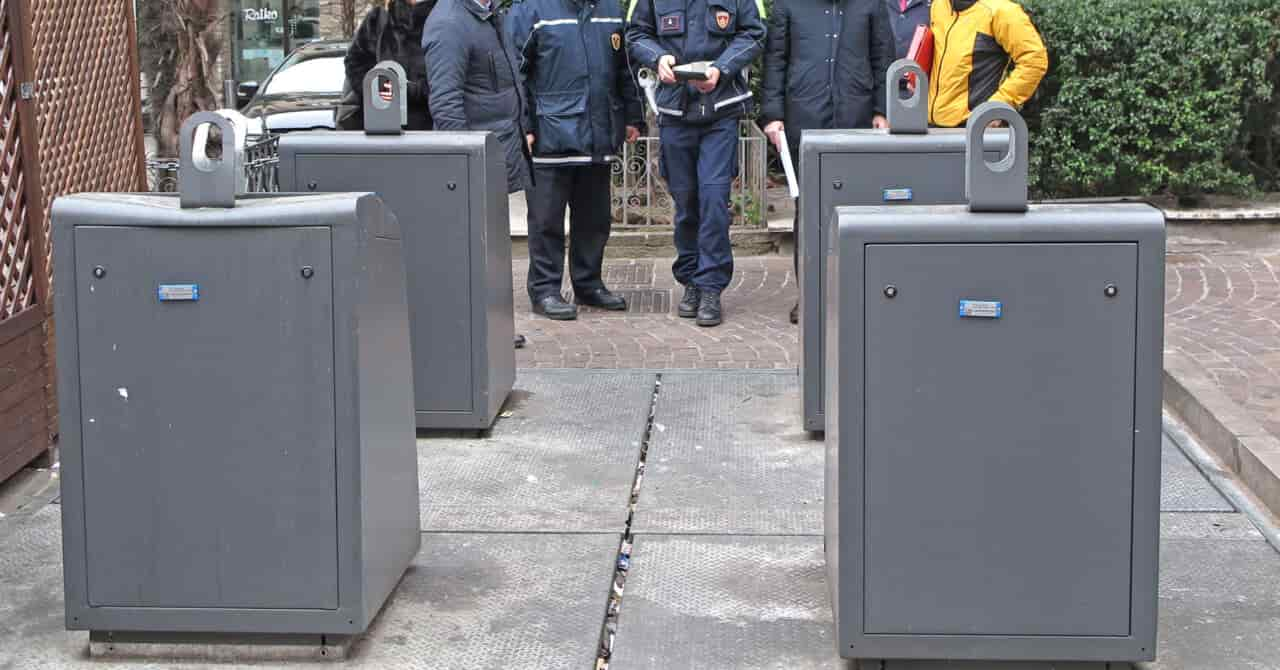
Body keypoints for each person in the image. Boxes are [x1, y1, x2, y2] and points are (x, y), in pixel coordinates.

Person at [627, 0, 765, 327]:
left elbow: (755, 33)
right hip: (675, 113)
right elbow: (635, 34)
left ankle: (711, 286)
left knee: (714, 199)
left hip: (721, 113)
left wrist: (722, 68)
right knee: (686, 202)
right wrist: (658, 57)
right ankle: (691, 281)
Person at [506, 0, 644, 320]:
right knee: (546, 221)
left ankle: (588, 284)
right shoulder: (531, 11)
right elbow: (515, 75)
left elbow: (625, 67)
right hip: (549, 135)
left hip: (598, 133)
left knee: (595, 220)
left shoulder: (610, 8)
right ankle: (544, 290)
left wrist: (634, 116)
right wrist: (523, 125)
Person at [760, 0, 893, 324]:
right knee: (808, 213)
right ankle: (810, 296)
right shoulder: (788, 5)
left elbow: (883, 57)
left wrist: (882, 110)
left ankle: (853, 294)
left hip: (856, 119)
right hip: (805, 119)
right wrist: (773, 115)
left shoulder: (871, 4)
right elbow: (775, 61)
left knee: (857, 210)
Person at [423, 0, 533, 193]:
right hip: (476, 173)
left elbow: (506, 84)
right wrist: (468, 168)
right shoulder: (449, 23)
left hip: (499, 156)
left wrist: (524, 129)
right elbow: (445, 106)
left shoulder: (491, 13)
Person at [927, 0, 1047, 128]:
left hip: (979, 127)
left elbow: (1034, 59)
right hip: (932, 125)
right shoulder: (939, 5)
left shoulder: (1002, 11)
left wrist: (999, 103)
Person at [337, 0, 437, 131]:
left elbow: (449, 81)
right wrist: (381, 89)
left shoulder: (445, 20)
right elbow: (355, 62)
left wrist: (409, 90)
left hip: (430, 131)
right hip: (380, 126)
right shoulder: (378, 20)